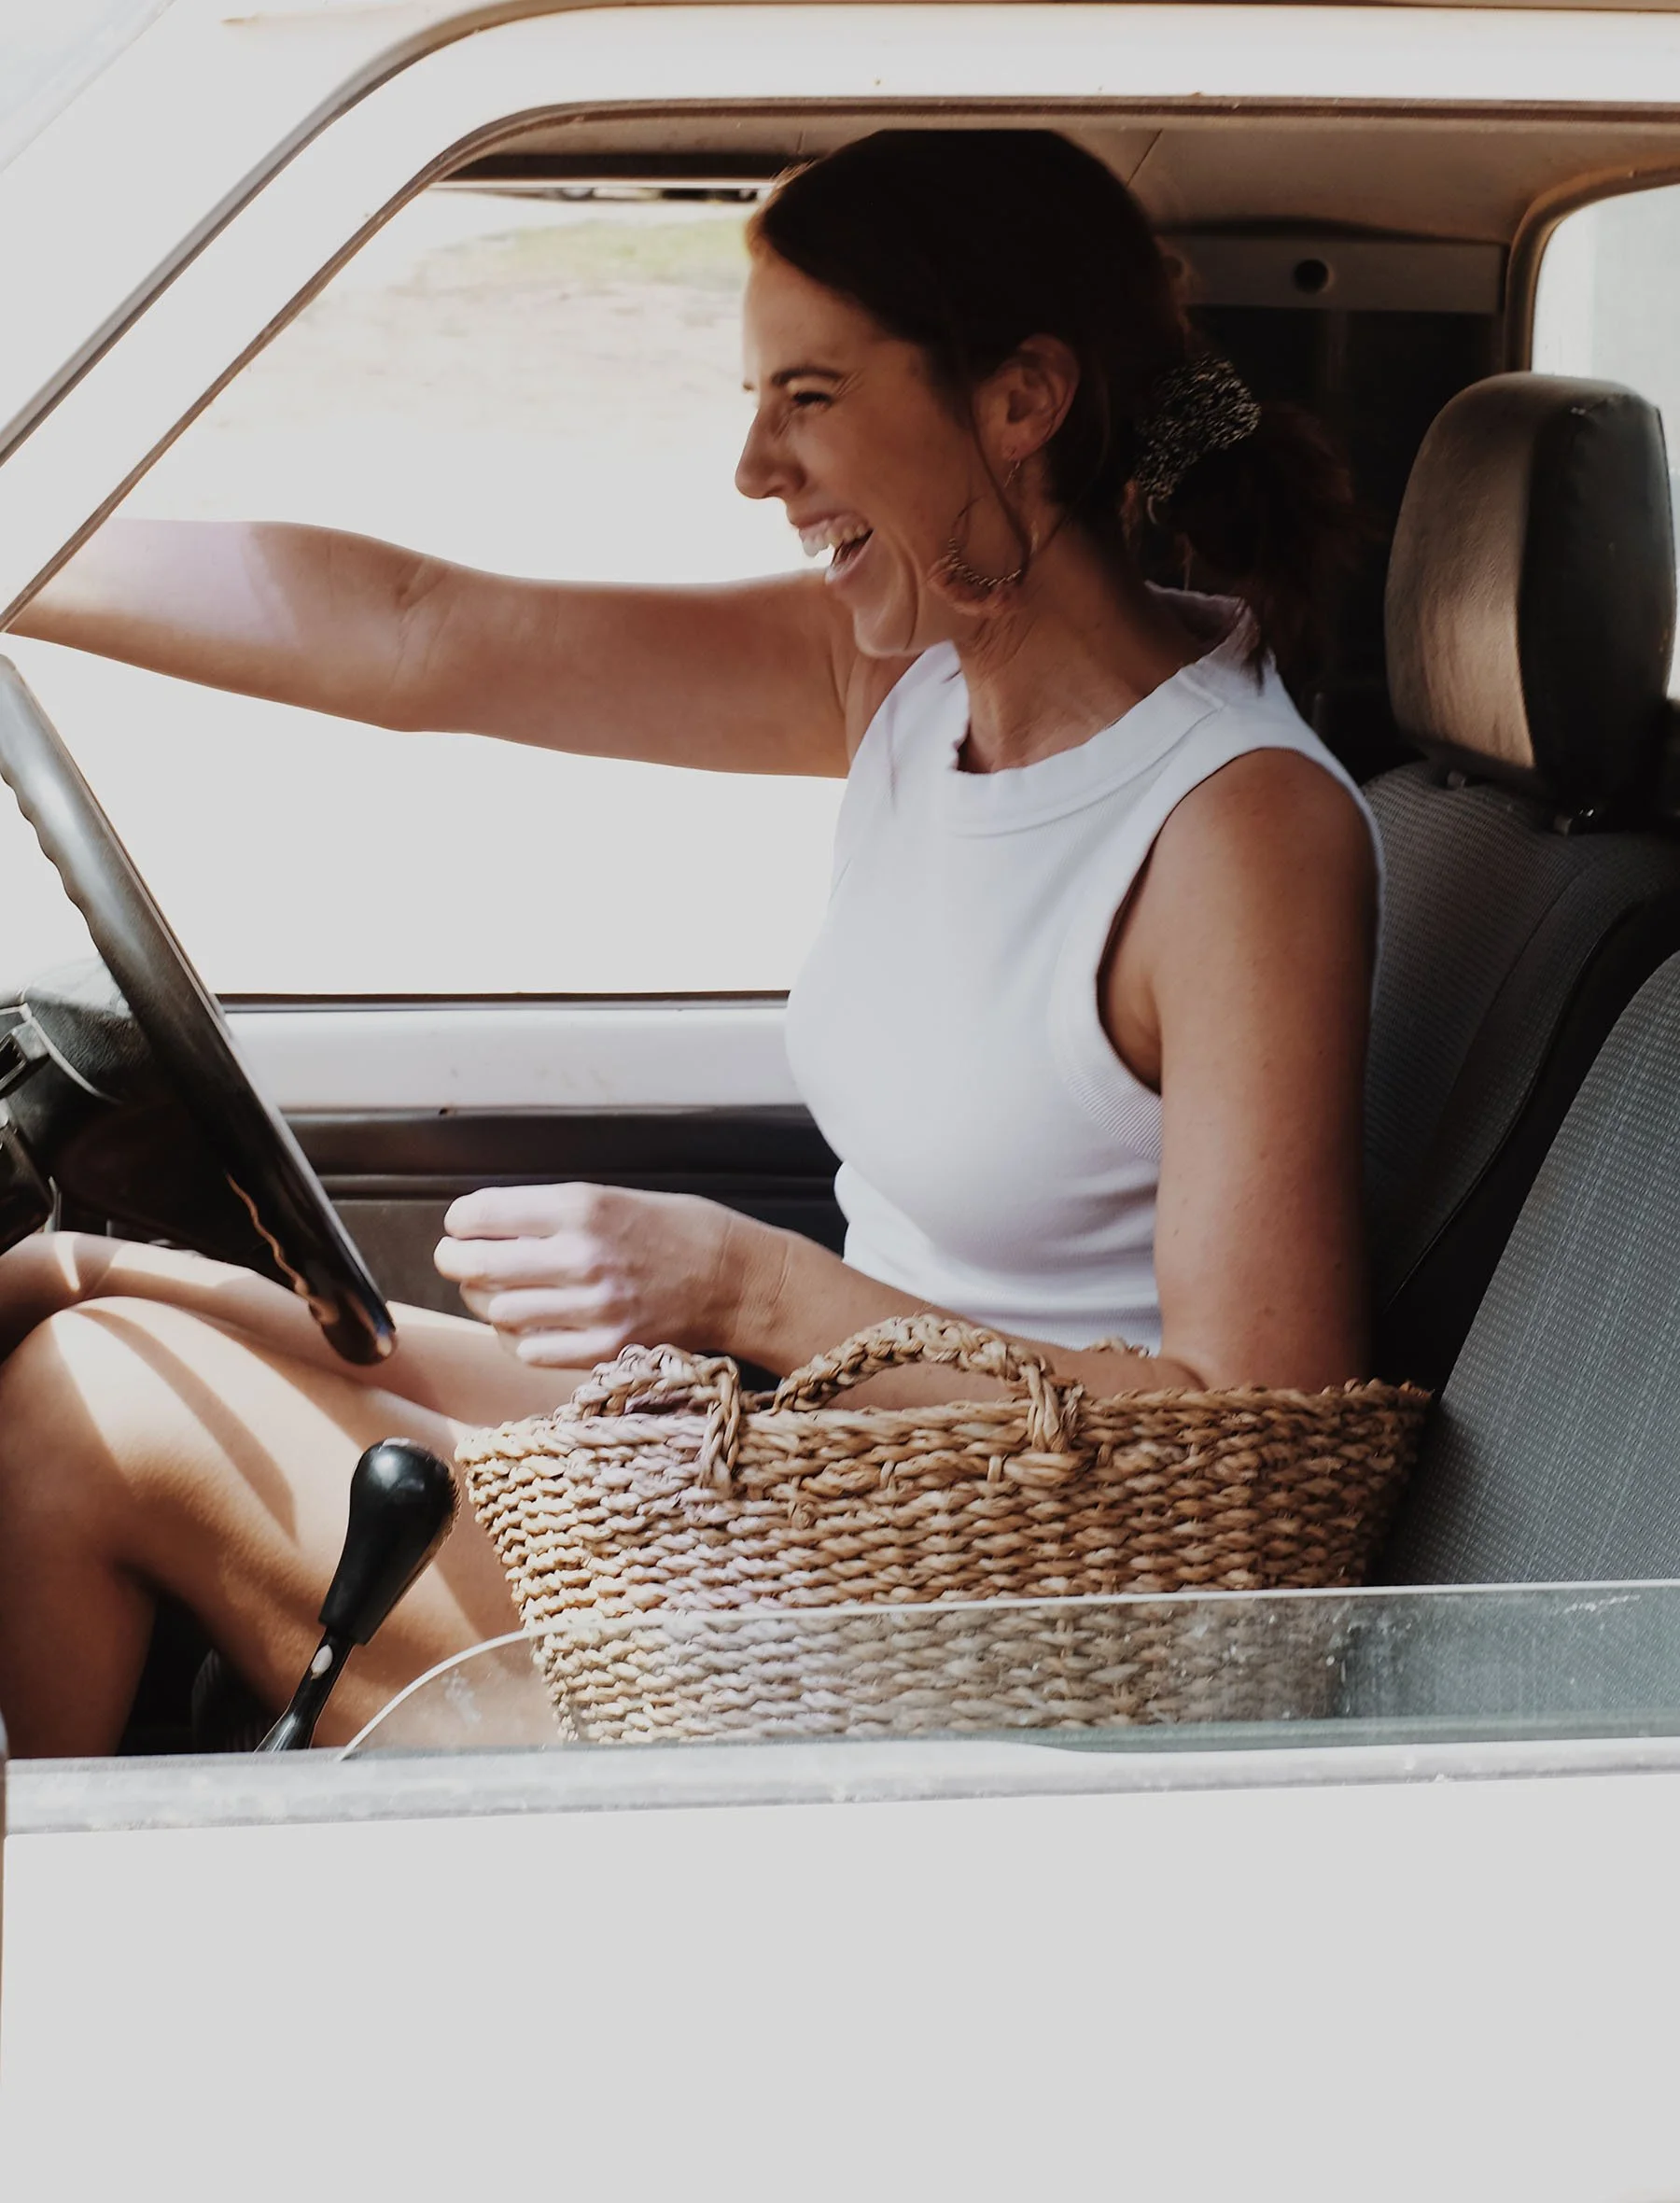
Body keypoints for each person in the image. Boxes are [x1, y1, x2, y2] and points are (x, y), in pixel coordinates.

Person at [0, 129, 1377, 1756]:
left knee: (86, 1417)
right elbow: (415, 634)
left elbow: (1262, 1442)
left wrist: (744, 1284)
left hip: (980, 1632)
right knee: (89, 1303)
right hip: (818, 1488)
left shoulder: (1239, 830)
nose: (754, 469)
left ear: (1022, 401)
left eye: (808, 398)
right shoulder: (904, 684)